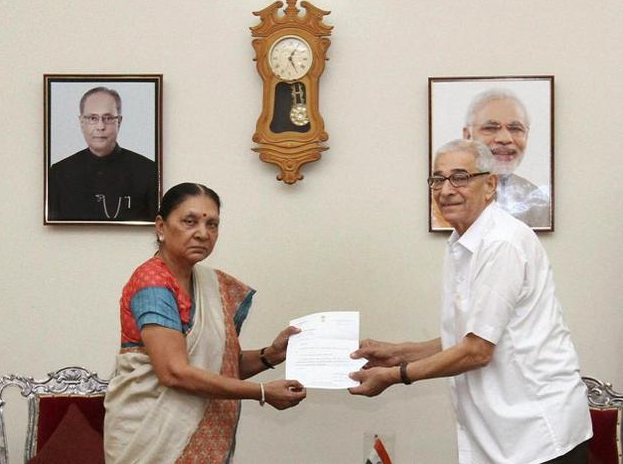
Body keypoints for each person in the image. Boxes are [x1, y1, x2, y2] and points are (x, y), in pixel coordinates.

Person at [350, 140, 591, 464]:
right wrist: (396, 353)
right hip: (500, 435)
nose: (446, 189)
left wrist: (397, 375)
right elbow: (469, 336)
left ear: (490, 185)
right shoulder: (461, 243)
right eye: (438, 179)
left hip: (537, 435)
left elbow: (477, 350)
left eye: (460, 177)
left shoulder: (502, 242)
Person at [104, 183, 306, 463]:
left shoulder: (210, 284)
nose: (202, 233)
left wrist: (269, 355)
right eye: (190, 221)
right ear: (161, 227)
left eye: (212, 224)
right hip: (151, 438)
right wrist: (261, 392)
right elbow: (174, 372)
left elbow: (220, 367)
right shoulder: (152, 283)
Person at [432, 88, 550, 228]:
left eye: (515, 129)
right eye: (491, 128)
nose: (505, 139)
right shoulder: (442, 199)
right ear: (467, 136)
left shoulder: (539, 203)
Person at [48, 86, 158, 221]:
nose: (100, 126)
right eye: (92, 118)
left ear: (119, 122)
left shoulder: (148, 171)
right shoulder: (59, 173)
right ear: (82, 122)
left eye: (108, 118)